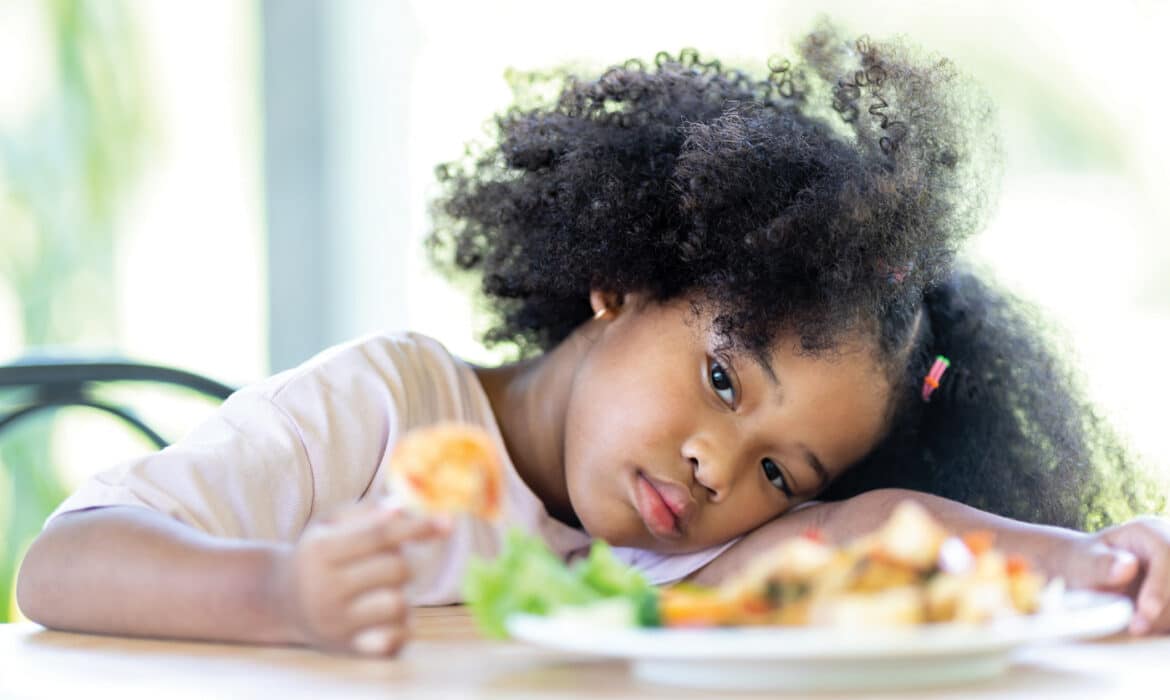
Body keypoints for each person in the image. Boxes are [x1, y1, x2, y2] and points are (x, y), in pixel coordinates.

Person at [16, 24, 1170, 656]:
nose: (720, 465)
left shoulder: (681, 576)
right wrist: (282, 595)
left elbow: (874, 527)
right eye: (723, 376)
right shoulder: (383, 406)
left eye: (778, 468)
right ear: (618, 280)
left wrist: (1099, 558)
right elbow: (60, 563)